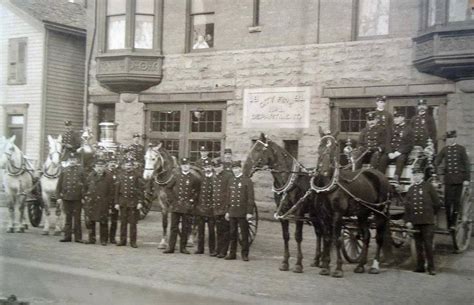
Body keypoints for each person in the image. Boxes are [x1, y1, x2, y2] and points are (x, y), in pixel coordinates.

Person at [404, 170, 440, 275]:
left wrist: (430, 215)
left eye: (418, 175)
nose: (416, 177)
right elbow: (407, 207)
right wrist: (408, 221)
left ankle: (431, 268)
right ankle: (420, 266)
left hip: (427, 221)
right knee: (418, 245)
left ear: (422, 176)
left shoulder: (428, 187)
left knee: (428, 245)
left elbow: (437, 203)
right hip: (415, 221)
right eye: (414, 175)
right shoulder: (411, 189)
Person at [164, 157, 201, 254]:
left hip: (187, 207)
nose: (185, 166)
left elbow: (197, 191)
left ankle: (183, 248)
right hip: (176, 206)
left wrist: (192, 200)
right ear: (181, 166)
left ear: (190, 166)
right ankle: (171, 247)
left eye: (187, 164)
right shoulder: (176, 176)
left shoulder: (194, 178)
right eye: (184, 165)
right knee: (173, 227)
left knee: (185, 227)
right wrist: (172, 200)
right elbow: (168, 188)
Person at [434, 131, 471, 229]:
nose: (450, 141)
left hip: (459, 179)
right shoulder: (445, 150)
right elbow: (437, 160)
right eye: (448, 139)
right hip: (449, 179)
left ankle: (453, 223)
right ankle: (449, 223)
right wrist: (435, 166)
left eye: (452, 138)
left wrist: (467, 179)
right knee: (447, 203)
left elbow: (466, 165)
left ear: (455, 138)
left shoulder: (461, 149)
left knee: (456, 202)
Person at [225, 161, 255, 261]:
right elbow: (228, 197)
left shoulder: (247, 181)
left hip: (242, 212)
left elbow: (250, 198)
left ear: (240, 169)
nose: (235, 170)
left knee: (244, 234)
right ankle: (232, 253)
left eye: (237, 168)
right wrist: (227, 211)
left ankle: (245, 254)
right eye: (234, 169)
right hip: (232, 211)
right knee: (232, 233)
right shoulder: (231, 180)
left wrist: (249, 212)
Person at [83, 159, 114, 245]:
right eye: (97, 166)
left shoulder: (109, 176)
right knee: (91, 221)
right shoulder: (90, 175)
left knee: (103, 221)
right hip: (92, 202)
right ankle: (91, 239)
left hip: (103, 202)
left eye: (101, 166)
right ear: (95, 167)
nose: (99, 168)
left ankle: (103, 240)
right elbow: (85, 188)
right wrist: (86, 198)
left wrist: (109, 202)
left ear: (104, 167)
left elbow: (111, 191)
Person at [114, 157, 143, 248]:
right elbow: (117, 191)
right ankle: (122, 240)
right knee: (123, 223)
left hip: (133, 203)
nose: (128, 167)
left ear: (133, 166)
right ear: (124, 166)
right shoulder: (120, 176)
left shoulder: (137, 176)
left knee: (133, 223)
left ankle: (133, 242)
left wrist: (140, 201)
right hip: (123, 202)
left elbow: (140, 190)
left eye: (130, 165)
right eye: (127, 165)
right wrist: (116, 203)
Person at [379, 110, 414, 184]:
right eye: (395, 118)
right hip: (391, 152)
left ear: (403, 118)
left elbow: (409, 145)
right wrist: (389, 152)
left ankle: (396, 179)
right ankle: (380, 179)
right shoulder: (391, 128)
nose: (395, 119)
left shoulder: (408, 129)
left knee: (401, 159)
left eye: (398, 117)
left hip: (401, 152)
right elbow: (387, 142)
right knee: (383, 159)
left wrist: (398, 152)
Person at [56, 153, 85, 243]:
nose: (72, 161)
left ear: (77, 161)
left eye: (74, 160)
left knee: (77, 218)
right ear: (69, 161)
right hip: (66, 198)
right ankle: (67, 236)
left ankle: (78, 237)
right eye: (71, 160)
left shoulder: (81, 171)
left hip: (77, 198)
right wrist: (58, 197)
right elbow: (59, 185)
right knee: (68, 218)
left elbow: (85, 185)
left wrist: (83, 197)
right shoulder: (64, 171)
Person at [194, 159, 216, 256]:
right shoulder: (201, 179)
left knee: (211, 230)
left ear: (212, 168)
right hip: (201, 208)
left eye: (209, 167)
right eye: (206, 167)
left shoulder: (215, 179)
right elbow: (197, 192)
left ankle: (212, 249)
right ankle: (200, 249)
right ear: (204, 168)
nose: (207, 169)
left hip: (211, 209)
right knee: (201, 230)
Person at [212, 159, 233, 258]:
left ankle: (223, 251)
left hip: (224, 207)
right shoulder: (214, 176)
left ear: (222, 166)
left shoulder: (228, 176)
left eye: (219, 166)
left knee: (225, 230)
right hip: (216, 207)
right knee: (219, 230)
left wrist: (228, 209)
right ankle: (218, 249)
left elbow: (230, 193)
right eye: (215, 167)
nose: (217, 169)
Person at [107, 155, 119, 243]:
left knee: (114, 220)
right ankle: (104, 237)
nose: (112, 164)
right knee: (104, 219)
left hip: (115, 200)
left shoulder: (118, 174)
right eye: (111, 162)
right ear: (108, 163)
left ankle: (112, 237)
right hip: (105, 199)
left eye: (114, 163)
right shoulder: (104, 173)